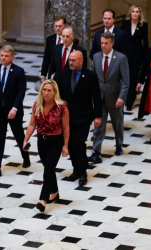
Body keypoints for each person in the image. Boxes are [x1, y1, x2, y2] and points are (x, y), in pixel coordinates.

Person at [56, 51, 102, 186]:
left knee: (78, 143)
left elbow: (97, 97)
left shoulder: (90, 76)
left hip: (84, 116)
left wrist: (98, 116)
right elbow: (58, 96)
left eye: (73, 60)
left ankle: (83, 172)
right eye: (69, 60)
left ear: (81, 61)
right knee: (70, 144)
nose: (70, 62)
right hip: (67, 117)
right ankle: (76, 170)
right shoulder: (62, 75)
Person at [23, 80, 69, 213]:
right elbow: (32, 124)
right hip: (42, 141)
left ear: (55, 92)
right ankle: (55, 192)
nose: (46, 93)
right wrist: (26, 140)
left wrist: (65, 145)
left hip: (56, 141)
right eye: (44, 90)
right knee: (49, 168)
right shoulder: (37, 105)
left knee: (48, 170)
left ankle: (43, 200)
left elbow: (66, 127)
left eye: (49, 90)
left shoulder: (62, 107)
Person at [0, 45, 31, 179]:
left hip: (13, 111)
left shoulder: (18, 71)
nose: (3, 58)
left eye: (6, 56)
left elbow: (21, 91)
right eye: (1, 55)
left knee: (19, 136)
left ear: (12, 57)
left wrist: (15, 108)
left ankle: (26, 157)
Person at [89, 32, 129, 163]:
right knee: (99, 125)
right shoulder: (96, 57)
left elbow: (125, 81)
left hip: (115, 98)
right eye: (101, 43)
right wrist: (92, 95)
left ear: (112, 43)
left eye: (106, 43)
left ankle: (119, 145)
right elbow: (94, 78)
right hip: (100, 99)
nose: (103, 46)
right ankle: (96, 151)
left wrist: (122, 97)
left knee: (117, 124)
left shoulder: (121, 58)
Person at [121, 5, 149, 111]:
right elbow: (122, 39)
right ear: (130, 13)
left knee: (133, 77)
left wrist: (147, 56)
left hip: (138, 54)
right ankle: (123, 97)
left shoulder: (143, 25)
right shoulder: (125, 23)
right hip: (126, 54)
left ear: (140, 13)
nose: (135, 13)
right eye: (133, 11)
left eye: (137, 11)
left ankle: (129, 101)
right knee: (125, 76)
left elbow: (145, 41)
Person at [40, 16, 67, 83]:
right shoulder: (50, 40)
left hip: (66, 74)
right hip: (53, 75)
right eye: (56, 26)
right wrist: (43, 75)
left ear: (65, 26)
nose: (58, 28)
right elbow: (46, 59)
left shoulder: (69, 40)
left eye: (60, 26)